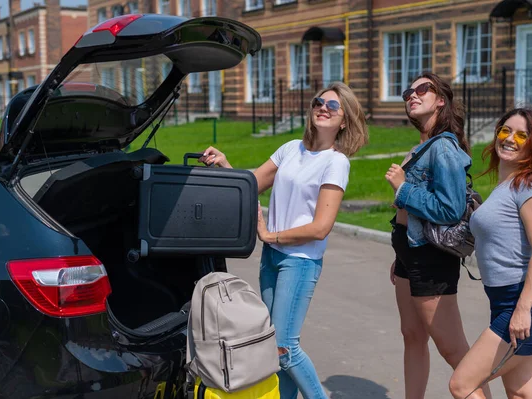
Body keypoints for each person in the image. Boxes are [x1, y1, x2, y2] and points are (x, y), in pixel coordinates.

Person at [199, 82, 369, 399]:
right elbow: (251, 183)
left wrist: (269, 234)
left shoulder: (336, 162)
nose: (323, 107)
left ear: (344, 121)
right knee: (270, 346)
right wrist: (225, 164)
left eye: (333, 106)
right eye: (319, 101)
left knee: (283, 347)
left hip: (299, 262)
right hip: (272, 259)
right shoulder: (291, 149)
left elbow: (321, 227)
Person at [384, 72, 490, 399]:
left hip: (430, 258)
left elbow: (449, 208)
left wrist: (402, 188)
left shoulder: (443, 147)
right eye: (407, 91)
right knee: (412, 336)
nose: (411, 95)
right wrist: (398, 255)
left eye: (422, 89)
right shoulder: (425, 146)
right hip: (409, 255)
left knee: (452, 349)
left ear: (440, 100)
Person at [449, 108, 532, 399]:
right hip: (505, 301)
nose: (510, 139)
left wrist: (522, 309)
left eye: (522, 135)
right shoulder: (507, 186)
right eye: (505, 131)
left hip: (524, 304)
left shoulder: (531, 185)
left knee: (462, 385)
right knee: (520, 393)